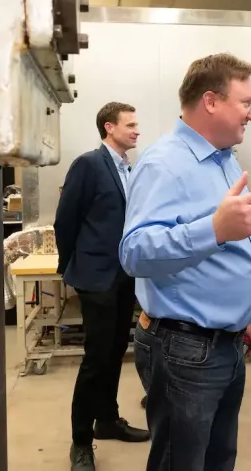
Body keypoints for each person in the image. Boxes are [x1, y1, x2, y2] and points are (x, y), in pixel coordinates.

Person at [119, 53, 251, 471]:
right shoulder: (165, 162)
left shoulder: (224, 157)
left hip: (226, 341)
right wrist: (215, 229)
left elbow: (230, 250)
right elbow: (134, 252)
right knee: (180, 462)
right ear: (211, 101)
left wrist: (246, 315)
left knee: (219, 458)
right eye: (246, 103)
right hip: (186, 349)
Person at [54, 102, 149, 471]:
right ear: (109, 128)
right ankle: (80, 442)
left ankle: (107, 420)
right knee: (95, 360)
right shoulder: (89, 165)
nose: (137, 130)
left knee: (113, 353)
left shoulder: (127, 168)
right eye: (131, 125)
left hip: (124, 276)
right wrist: (72, 268)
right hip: (96, 278)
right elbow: (66, 221)